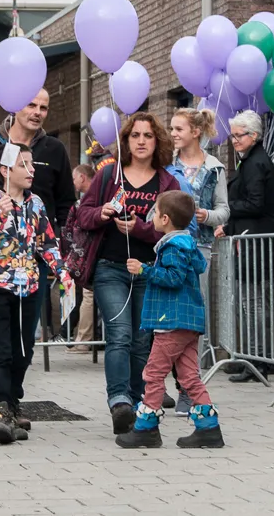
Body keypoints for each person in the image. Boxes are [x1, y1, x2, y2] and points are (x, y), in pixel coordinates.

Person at [0, 89, 76, 423]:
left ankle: (12, 401)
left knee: (24, 346)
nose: (38, 112)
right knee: (2, 346)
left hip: (32, 273)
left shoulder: (53, 152)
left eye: (44, 107)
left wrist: (64, 269)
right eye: (31, 104)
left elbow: (58, 220)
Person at [72, 112, 183, 435]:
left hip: (150, 270)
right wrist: (104, 213)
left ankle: (138, 404)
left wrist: (143, 229)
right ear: (126, 140)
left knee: (141, 340)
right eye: (136, 135)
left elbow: (175, 229)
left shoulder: (167, 182)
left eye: (148, 136)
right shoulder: (109, 176)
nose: (142, 141)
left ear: (157, 140)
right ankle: (119, 400)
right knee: (119, 333)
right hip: (110, 268)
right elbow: (83, 216)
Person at [116, 190, 224, 449]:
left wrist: (144, 269)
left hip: (171, 321)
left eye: (154, 211)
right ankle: (208, 428)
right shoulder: (186, 243)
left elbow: (173, 278)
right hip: (187, 321)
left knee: (152, 373)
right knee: (189, 377)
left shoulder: (173, 247)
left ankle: (146, 428)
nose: (151, 215)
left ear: (165, 218)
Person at [165, 107, 231, 415]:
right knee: (165, 318)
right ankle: (157, 384)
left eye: (179, 129)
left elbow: (223, 210)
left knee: (193, 318)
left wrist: (207, 216)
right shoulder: (167, 166)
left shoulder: (214, 168)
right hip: (166, 247)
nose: (173, 134)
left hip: (199, 249)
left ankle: (189, 389)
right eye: (172, 129)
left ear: (195, 132)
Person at [214, 110, 274, 383]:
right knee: (253, 304)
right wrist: (228, 225)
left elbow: (255, 204)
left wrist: (226, 211)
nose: (233, 140)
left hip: (254, 243)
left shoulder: (255, 164)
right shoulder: (253, 161)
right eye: (232, 135)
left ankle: (257, 362)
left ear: (253, 136)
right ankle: (257, 360)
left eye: (239, 135)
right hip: (252, 238)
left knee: (253, 304)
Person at [67, 164, 97, 355]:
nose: (73, 182)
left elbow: (75, 230)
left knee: (89, 295)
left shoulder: (84, 203)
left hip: (89, 256)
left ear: (83, 178)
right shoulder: (99, 197)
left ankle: (84, 340)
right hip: (92, 255)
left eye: (74, 178)